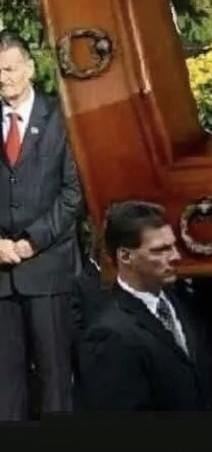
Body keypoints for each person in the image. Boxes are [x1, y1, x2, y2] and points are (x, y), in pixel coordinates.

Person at [0, 29, 83, 420]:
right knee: (6, 385)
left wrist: (32, 241)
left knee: (54, 381)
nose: (4, 78)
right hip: (2, 276)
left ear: (30, 68)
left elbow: (73, 192)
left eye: (10, 69)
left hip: (48, 269)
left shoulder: (61, 119)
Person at [76, 200, 212, 411]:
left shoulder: (185, 305)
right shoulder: (109, 333)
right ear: (125, 256)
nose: (175, 256)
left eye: (173, 246)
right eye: (160, 250)